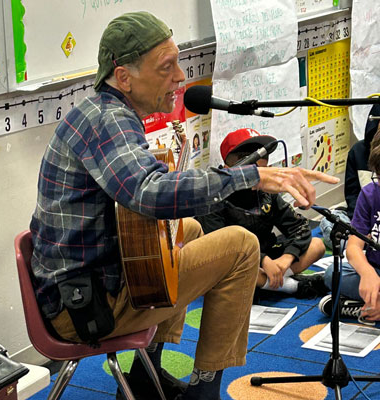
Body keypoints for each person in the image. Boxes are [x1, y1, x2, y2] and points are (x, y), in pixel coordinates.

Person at [30, 12, 339, 400]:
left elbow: (141, 194)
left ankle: (147, 374)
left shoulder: (102, 111)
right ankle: (204, 392)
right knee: (242, 247)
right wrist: (252, 176)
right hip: (85, 310)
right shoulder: (109, 121)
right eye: (167, 66)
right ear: (124, 77)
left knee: (188, 230)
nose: (180, 76)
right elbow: (149, 192)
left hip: (80, 289)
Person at [196, 128, 328, 300]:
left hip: (269, 258)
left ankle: (267, 284)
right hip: (237, 262)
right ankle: (291, 286)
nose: (261, 167)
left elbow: (299, 227)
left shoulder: (266, 191)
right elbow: (220, 249)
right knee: (231, 270)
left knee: (317, 245)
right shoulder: (213, 195)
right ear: (229, 167)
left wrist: (285, 259)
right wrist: (263, 260)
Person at [319, 127, 380, 324]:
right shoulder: (371, 193)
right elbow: (353, 247)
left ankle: (363, 305)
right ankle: (371, 303)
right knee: (332, 274)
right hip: (376, 270)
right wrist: (367, 272)